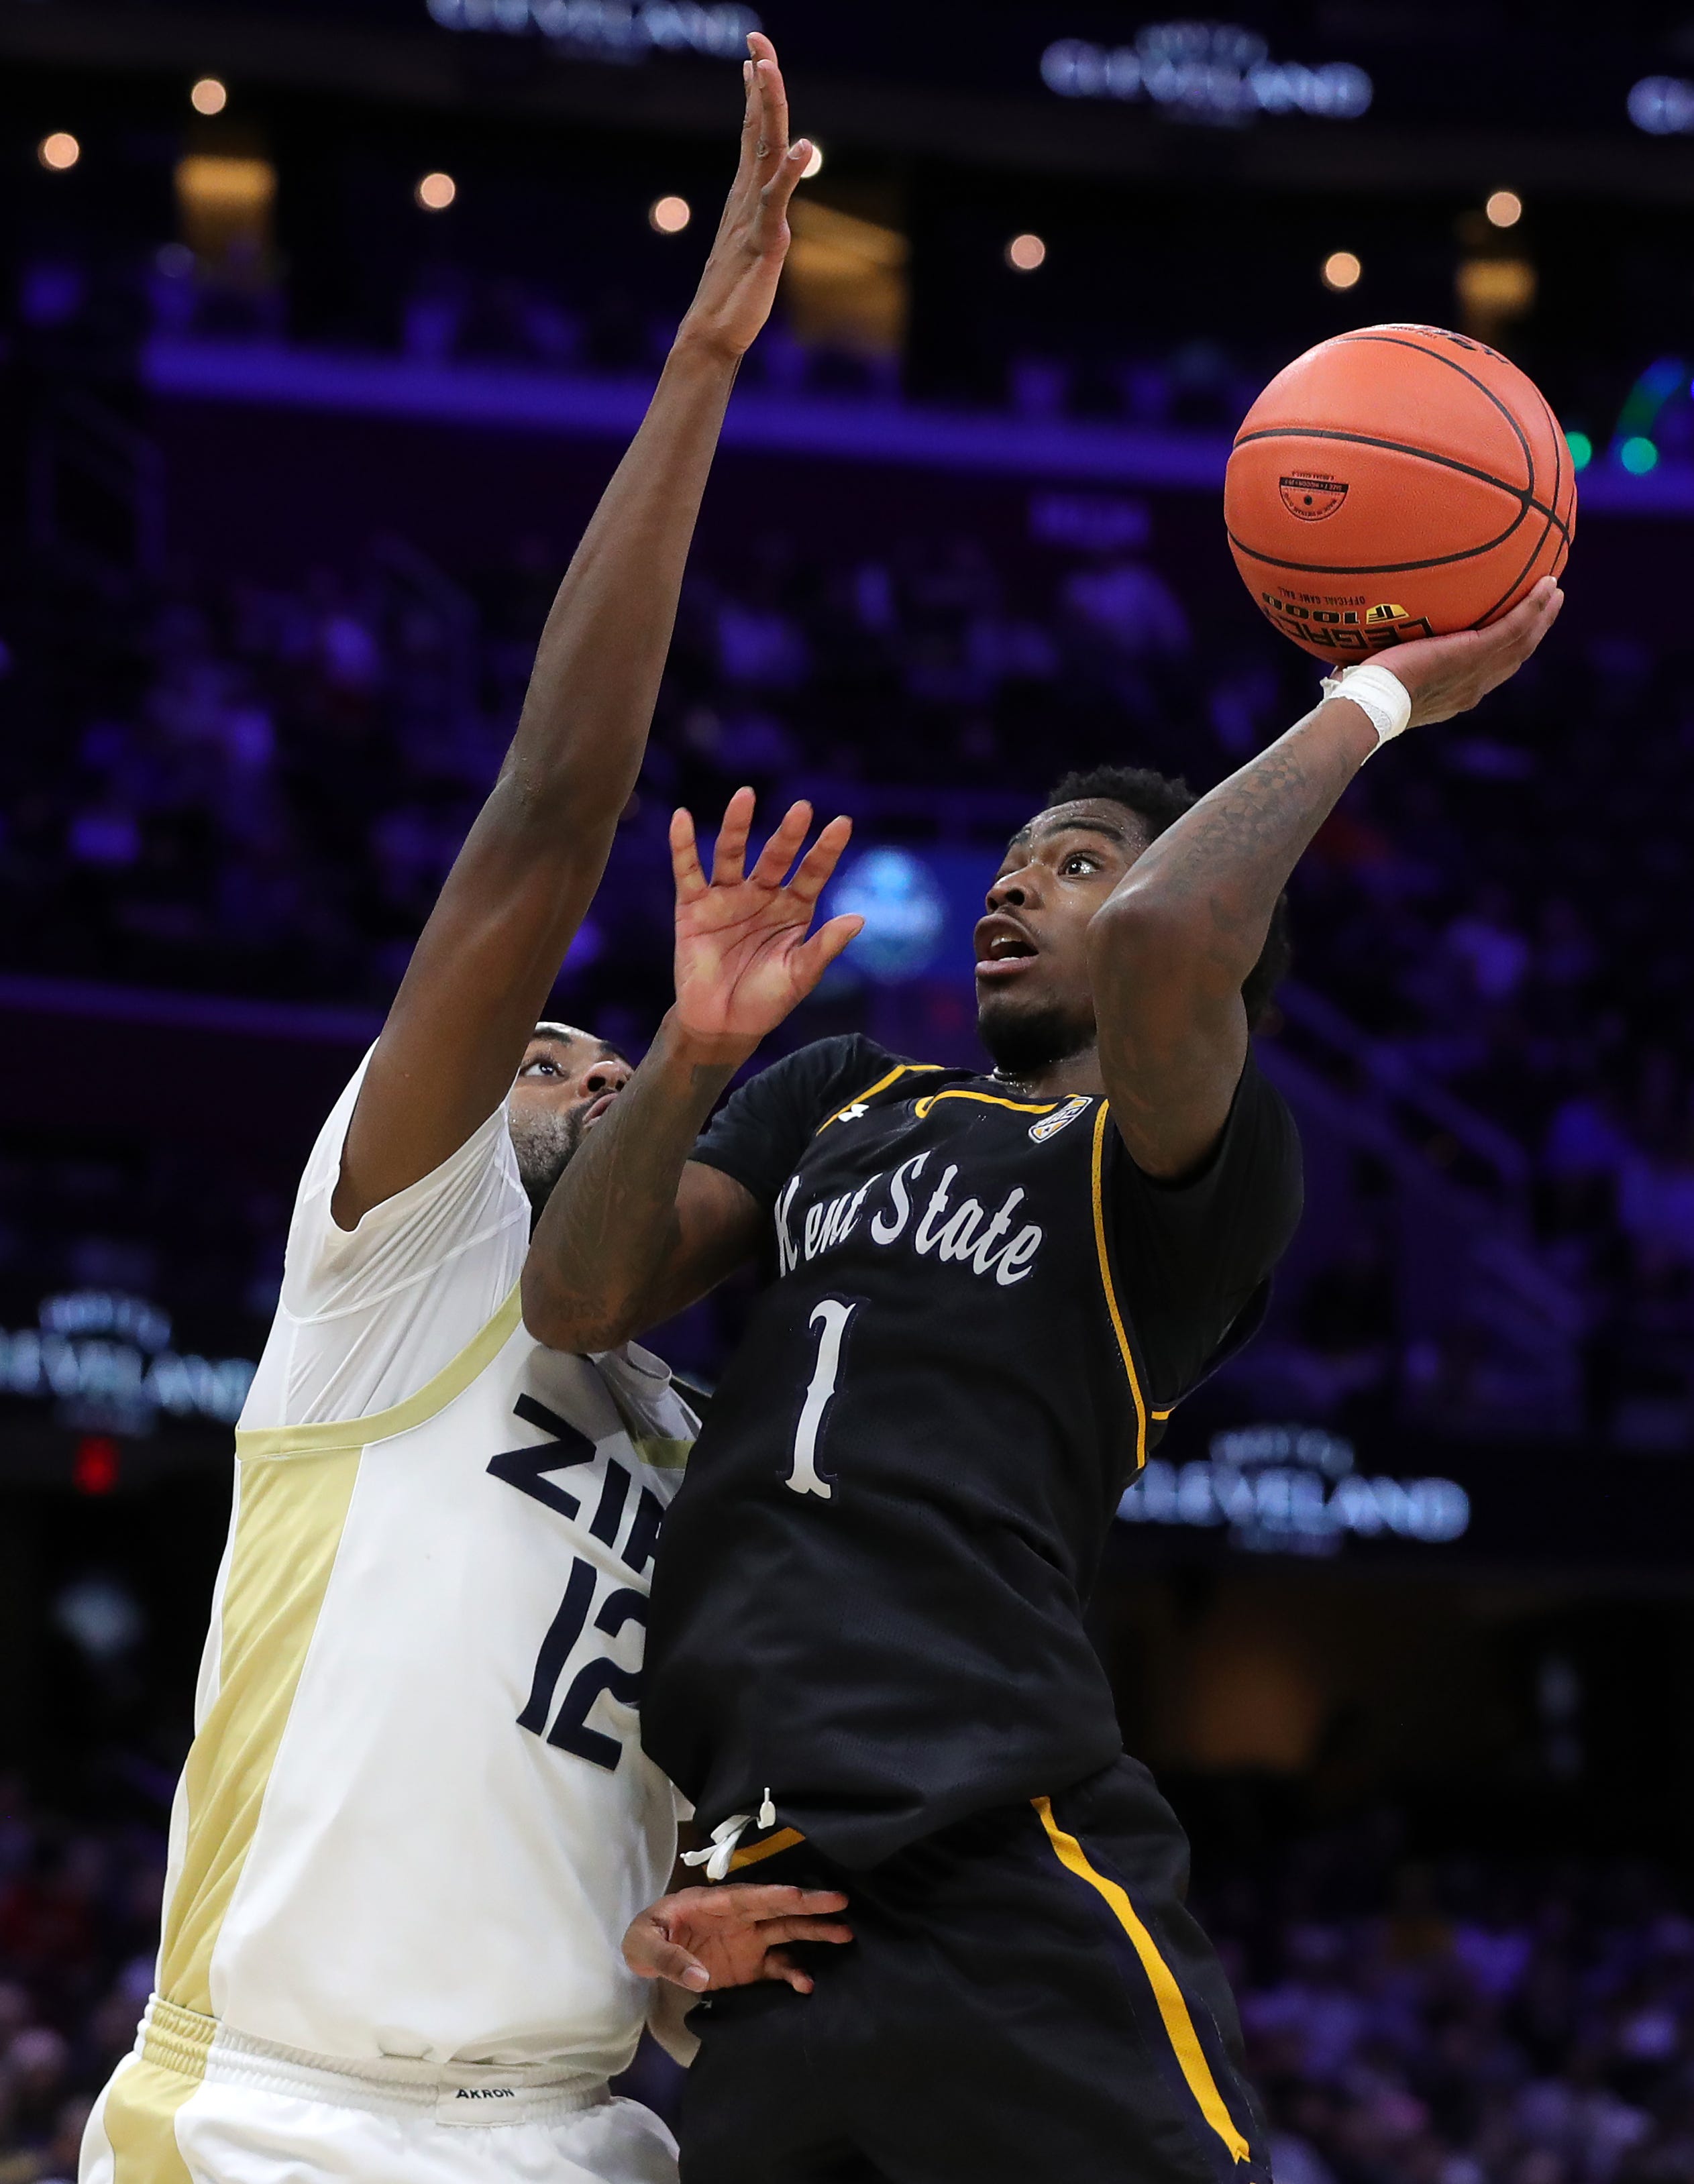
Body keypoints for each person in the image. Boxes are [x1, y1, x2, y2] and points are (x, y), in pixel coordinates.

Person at [526, 580, 1565, 2184]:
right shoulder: (842, 1087)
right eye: (1018, 854)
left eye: (1076, 858)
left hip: (996, 1851)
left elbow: (1167, 944)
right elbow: (582, 1290)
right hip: (760, 1903)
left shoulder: (1187, 1174)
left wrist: (1378, 699)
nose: (1018, 878)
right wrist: (694, 1041)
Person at [81, 38, 849, 2184]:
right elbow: (546, 816)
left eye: (615, 1075)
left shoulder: (696, 1440)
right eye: (547, 1058)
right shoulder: (394, 1263)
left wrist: (699, 1946)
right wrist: (703, 362)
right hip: (278, 2127)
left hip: (584, 2133)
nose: (579, 1068)